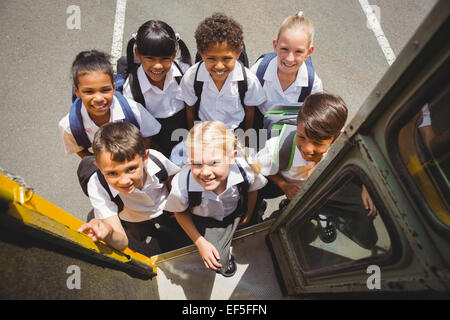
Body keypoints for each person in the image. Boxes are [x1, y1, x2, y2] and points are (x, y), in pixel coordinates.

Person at [256, 93, 376, 241]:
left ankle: (317, 212)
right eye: (301, 137)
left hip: (316, 189)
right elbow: (258, 167)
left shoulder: (344, 144)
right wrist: (284, 185)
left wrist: (366, 184)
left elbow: (363, 155)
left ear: (335, 138)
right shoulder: (278, 148)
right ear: (297, 124)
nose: (307, 148)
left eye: (317, 143)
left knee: (368, 237)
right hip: (289, 185)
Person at [165, 121, 267, 277]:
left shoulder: (245, 170)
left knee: (252, 229)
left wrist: (248, 214)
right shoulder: (182, 184)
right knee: (218, 259)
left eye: (214, 163)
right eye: (197, 163)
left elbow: (254, 190)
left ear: (232, 157)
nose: (205, 172)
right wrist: (200, 242)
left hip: (236, 212)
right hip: (207, 222)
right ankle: (226, 258)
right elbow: (180, 213)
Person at [77, 121, 183, 257]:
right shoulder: (97, 185)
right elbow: (121, 243)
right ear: (99, 167)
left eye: (131, 169)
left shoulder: (156, 160)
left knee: (171, 231)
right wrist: (108, 232)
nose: (124, 181)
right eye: (112, 173)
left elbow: (171, 177)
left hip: (165, 208)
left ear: (145, 158)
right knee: (141, 235)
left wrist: (176, 203)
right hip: (133, 218)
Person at [59, 50, 161, 158]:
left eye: (105, 90)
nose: (98, 98)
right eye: (89, 91)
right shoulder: (69, 126)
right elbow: (80, 150)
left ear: (113, 87)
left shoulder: (133, 110)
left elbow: (147, 135)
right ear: (77, 91)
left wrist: (137, 160)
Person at [178, 12, 266, 131]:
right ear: (202, 54)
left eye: (227, 58)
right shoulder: (191, 77)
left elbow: (250, 110)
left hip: (235, 133)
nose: (219, 66)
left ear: (238, 53)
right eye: (211, 58)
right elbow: (190, 109)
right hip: (205, 133)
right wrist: (193, 134)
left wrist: (247, 139)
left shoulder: (248, 81)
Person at [122, 20, 192, 158]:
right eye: (150, 58)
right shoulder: (132, 90)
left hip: (188, 141)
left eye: (165, 58)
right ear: (137, 53)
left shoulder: (184, 73)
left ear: (174, 54)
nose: (157, 66)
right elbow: (139, 132)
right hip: (156, 150)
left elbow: (192, 108)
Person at [250, 11, 323, 131]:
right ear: (275, 45)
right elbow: (248, 104)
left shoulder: (313, 84)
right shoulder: (259, 70)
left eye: (298, 51)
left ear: (309, 52)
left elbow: (311, 119)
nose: (290, 58)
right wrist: (250, 138)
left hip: (287, 131)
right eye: (284, 49)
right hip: (257, 125)